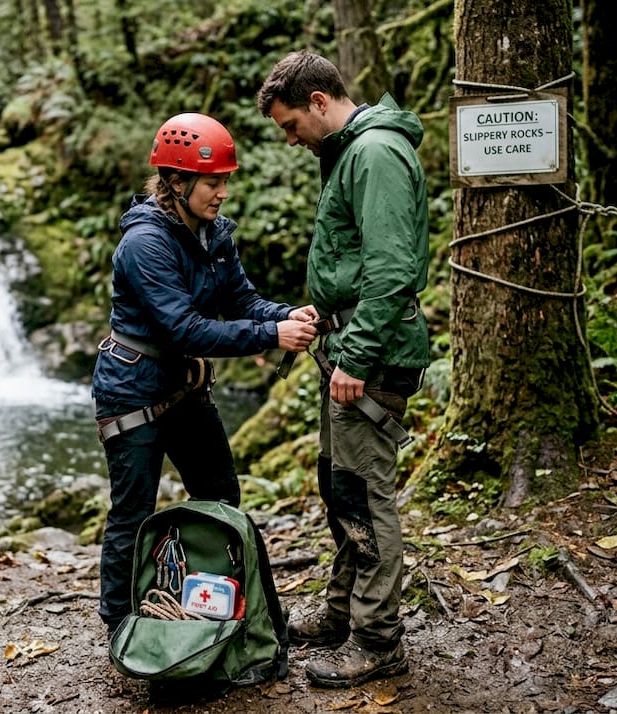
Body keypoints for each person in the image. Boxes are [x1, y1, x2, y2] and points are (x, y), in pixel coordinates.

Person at [93, 112, 318, 638]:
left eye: (224, 182)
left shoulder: (214, 235)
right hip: (132, 392)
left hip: (185, 390)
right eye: (212, 182)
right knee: (133, 512)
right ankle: (118, 625)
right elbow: (185, 329)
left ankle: (218, 605)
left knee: (220, 496)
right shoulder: (144, 244)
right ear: (176, 181)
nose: (221, 193)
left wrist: (285, 316)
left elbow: (243, 301)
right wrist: (269, 337)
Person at [255, 51, 430, 688]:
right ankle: (339, 613)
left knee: (365, 493)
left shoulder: (374, 154)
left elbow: (389, 268)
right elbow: (354, 259)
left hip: (371, 354)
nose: (290, 138)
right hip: (349, 343)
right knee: (340, 484)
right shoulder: (349, 151)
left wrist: (354, 355)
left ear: (320, 102)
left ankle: (378, 641)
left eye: (290, 124)